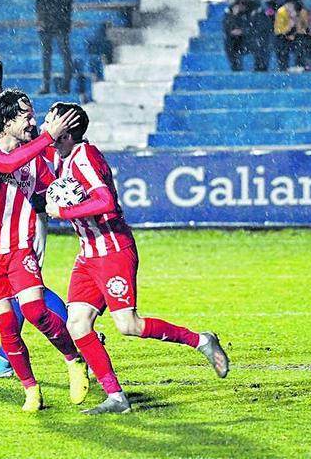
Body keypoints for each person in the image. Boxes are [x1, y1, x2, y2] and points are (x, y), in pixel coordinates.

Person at [44, 103, 230, 414]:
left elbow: (106, 203)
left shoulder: (84, 157)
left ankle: (201, 340)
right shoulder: (59, 159)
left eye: (50, 120)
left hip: (113, 252)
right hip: (88, 256)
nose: (44, 124)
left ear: (66, 128)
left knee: (128, 325)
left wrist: (63, 212)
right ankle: (116, 397)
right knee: (77, 325)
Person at [0, 88, 88, 411]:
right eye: (26, 116)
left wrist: (76, 197)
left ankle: (74, 359)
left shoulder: (36, 159)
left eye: (33, 115)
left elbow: (51, 193)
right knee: (6, 325)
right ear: (5, 121)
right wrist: (46, 137)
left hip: (18, 247)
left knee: (35, 311)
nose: (32, 121)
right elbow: (6, 165)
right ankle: (31, 389)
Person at [25, 0, 77, 94]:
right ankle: (46, 85)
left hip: (60, 21)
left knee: (64, 53)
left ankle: (66, 85)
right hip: (45, 21)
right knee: (46, 55)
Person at [223, 0, 270, 72]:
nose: (240, 6)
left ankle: (260, 67)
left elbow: (258, 28)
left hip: (251, 39)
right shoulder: (230, 14)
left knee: (260, 42)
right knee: (229, 44)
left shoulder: (256, 11)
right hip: (238, 41)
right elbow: (228, 28)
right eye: (238, 4)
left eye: (242, 4)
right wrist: (234, 15)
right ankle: (236, 67)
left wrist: (243, 31)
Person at [274, 0, 310, 72]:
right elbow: (278, 30)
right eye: (288, 5)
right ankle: (283, 67)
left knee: (301, 42)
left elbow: (305, 27)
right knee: (281, 45)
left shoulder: (301, 12)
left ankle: (300, 65)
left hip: (297, 35)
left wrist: (297, 25)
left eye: (292, 5)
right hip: (283, 36)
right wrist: (289, 27)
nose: (290, 7)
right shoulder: (281, 12)